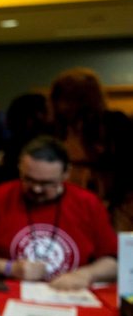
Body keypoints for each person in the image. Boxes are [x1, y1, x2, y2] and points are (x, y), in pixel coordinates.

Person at [0, 136, 118, 290]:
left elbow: (114, 262)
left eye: (47, 183)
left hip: (70, 294)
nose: (36, 189)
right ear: (20, 168)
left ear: (66, 174)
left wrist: (85, 274)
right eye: (29, 180)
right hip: (10, 292)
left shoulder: (88, 204)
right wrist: (9, 268)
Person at [50, 67, 133, 232]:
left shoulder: (113, 123)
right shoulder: (56, 129)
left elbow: (126, 167)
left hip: (113, 203)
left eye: (68, 99)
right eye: (60, 99)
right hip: (68, 203)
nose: (62, 106)